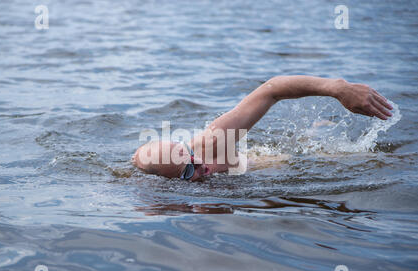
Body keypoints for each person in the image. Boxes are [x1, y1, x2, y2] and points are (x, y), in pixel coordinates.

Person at [132, 75, 393, 181]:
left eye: (192, 157)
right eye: (189, 171)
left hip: (274, 162)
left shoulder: (213, 142)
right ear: (171, 184)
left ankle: (315, 132)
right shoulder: (181, 197)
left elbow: (273, 90)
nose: (201, 165)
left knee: (376, 161)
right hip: (256, 168)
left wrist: (338, 88)